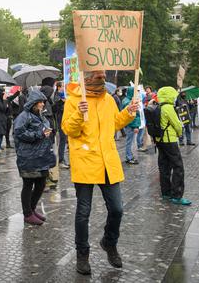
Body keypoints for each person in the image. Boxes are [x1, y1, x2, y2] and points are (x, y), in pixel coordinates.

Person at [61, 70, 139, 275]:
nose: (101, 80)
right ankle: (82, 254)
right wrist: (79, 112)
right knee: (83, 212)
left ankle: (109, 242)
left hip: (107, 162)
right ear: (86, 78)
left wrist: (129, 112)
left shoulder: (108, 99)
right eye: (97, 77)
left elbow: (114, 123)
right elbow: (69, 129)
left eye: (103, 77)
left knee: (117, 209)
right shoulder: (73, 100)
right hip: (85, 161)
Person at [14, 90, 57, 225]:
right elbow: (19, 132)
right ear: (34, 103)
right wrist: (39, 134)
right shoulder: (24, 116)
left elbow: (44, 130)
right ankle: (27, 213)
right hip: (28, 157)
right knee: (28, 184)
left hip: (41, 156)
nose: (43, 105)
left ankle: (32, 209)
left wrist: (48, 132)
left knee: (41, 184)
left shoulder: (40, 116)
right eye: (41, 102)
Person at [154, 86, 192, 206]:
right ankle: (177, 195)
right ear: (170, 96)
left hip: (160, 141)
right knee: (178, 167)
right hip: (169, 140)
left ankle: (166, 193)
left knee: (164, 166)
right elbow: (177, 125)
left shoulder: (158, 107)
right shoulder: (168, 108)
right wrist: (180, 134)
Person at [121, 87, 141, 165]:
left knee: (130, 141)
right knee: (130, 142)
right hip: (131, 125)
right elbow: (134, 115)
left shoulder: (126, 100)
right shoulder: (129, 102)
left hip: (129, 124)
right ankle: (129, 157)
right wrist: (136, 126)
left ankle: (129, 156)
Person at [51, 82, 68, 168]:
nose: (64, 88)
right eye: (63, 86)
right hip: (60, 119)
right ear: (58, 87)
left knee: (64, 139)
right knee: (62, 138)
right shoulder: (57, 96)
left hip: (63, 118)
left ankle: (62, 158)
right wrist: (62, 102)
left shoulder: (62, 95)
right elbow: (56, 108)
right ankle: (61, 159)